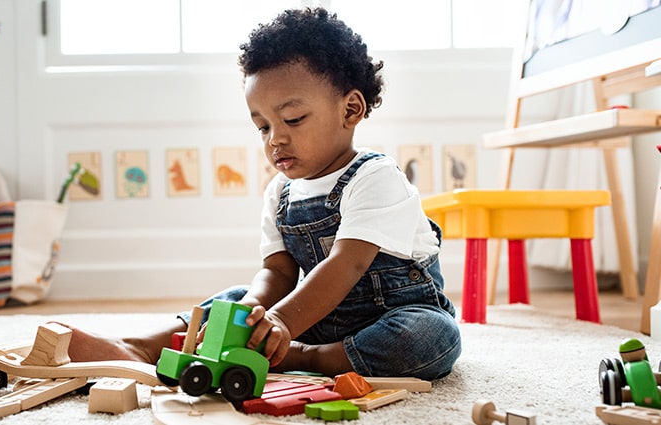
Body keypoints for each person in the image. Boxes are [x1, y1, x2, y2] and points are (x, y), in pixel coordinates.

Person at [62, 7, 461, 380]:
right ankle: (140, 347)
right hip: (313, 316)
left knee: (429, 337)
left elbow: (346, 266)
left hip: (388, 316)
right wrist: (253, 309)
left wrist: (284, 323)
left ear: (350, 110)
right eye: (263, 126)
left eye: (293, 119)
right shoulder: (281, 192)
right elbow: (278, 272)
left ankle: (306, 358)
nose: (276, 138)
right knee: (234, 300)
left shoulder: (376, 177)